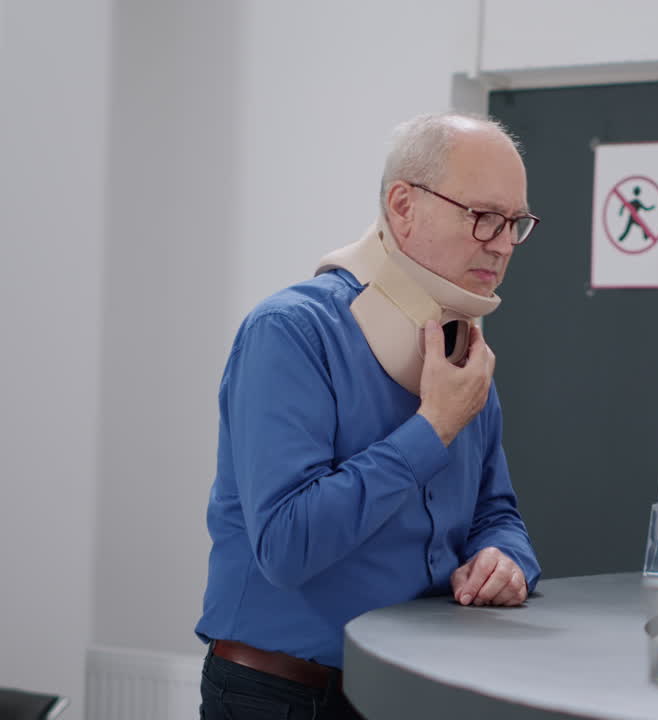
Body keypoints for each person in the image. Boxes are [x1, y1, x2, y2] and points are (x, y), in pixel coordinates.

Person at [195, 112, 542, 719]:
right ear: (403, 205)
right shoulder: (292, 333)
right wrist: (433, 427)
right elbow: (286, 545)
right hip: (283, 696)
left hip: (412, 691)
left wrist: (507, 559)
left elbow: (496, 511)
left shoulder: (463, 351)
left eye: (515, 223)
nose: (503, 242)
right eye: (483, 216)